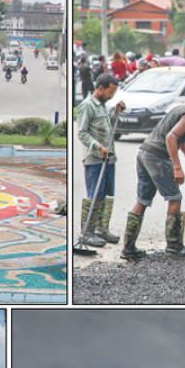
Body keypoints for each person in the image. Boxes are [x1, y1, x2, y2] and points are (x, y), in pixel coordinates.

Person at [122, 99, 185, 260]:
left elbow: (182, 143)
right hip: (157, 157)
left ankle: (128, 249)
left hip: (144, 154)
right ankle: (174, 246)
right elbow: (171, 138)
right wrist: (177, 167)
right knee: (175, 198)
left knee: (142, 200)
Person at [77, 73, 125, 247]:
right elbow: (82, 133)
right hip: (95, 158)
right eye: (110, 92)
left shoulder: (104, 105)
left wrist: (115, 114)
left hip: (109, 156)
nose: (112, 96)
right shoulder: (87, 106)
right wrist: (98, 147)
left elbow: (107, 127)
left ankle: (101, 229)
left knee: (106, 194)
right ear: (100, 88)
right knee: (95, 195)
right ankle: (87, 232)